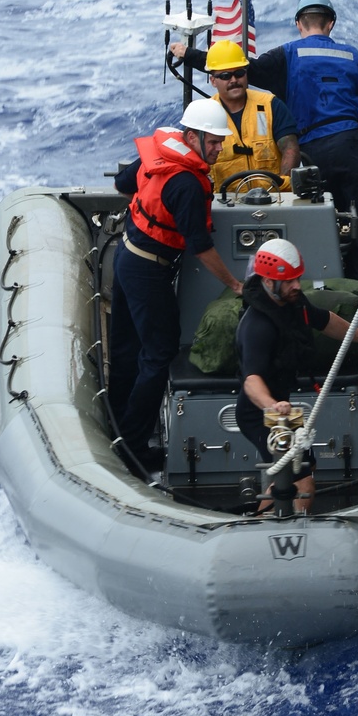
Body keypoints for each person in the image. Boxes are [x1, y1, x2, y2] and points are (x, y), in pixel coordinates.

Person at [172, 0, 358, 279]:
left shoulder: (289, 54)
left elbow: (250, 68)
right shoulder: (353, 56)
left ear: (299, 23)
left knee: (317, 221)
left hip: (314, 152)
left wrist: (188, 54)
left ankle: (319, 280)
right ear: (331, 23)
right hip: (352, 146)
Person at [109, 98, 243, 474]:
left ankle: (116, 425)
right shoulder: (186, 183)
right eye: (213, 142)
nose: (219, 149)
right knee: (159, 352)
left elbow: (124, 185)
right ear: (191, 137)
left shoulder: (161, 155)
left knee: (125, 347)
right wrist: (234, 283)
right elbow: (200, 246)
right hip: (149, 270)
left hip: (127, 254)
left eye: (220, 142)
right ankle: (134, 446)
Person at [235, 238, 358, 512]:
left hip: (282, 411)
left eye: (297, 279)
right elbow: (251, 381)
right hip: (262, 415)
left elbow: (326, 321)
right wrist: (272, 406)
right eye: (288, 281)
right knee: (304, 484)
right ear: (268, 281)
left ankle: (260, 519)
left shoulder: (290, 303)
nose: (297, 286)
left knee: (300, 470)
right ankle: (289, 537)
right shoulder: (257, 327)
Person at [201, 38, 299, 193]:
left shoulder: (271, 105)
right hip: (224, 207)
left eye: (239, 73)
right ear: (213, 80)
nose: (234, 80)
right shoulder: (204, 114)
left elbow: (290, 147)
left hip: (273, 203)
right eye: (226, 76)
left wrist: (283, 192)